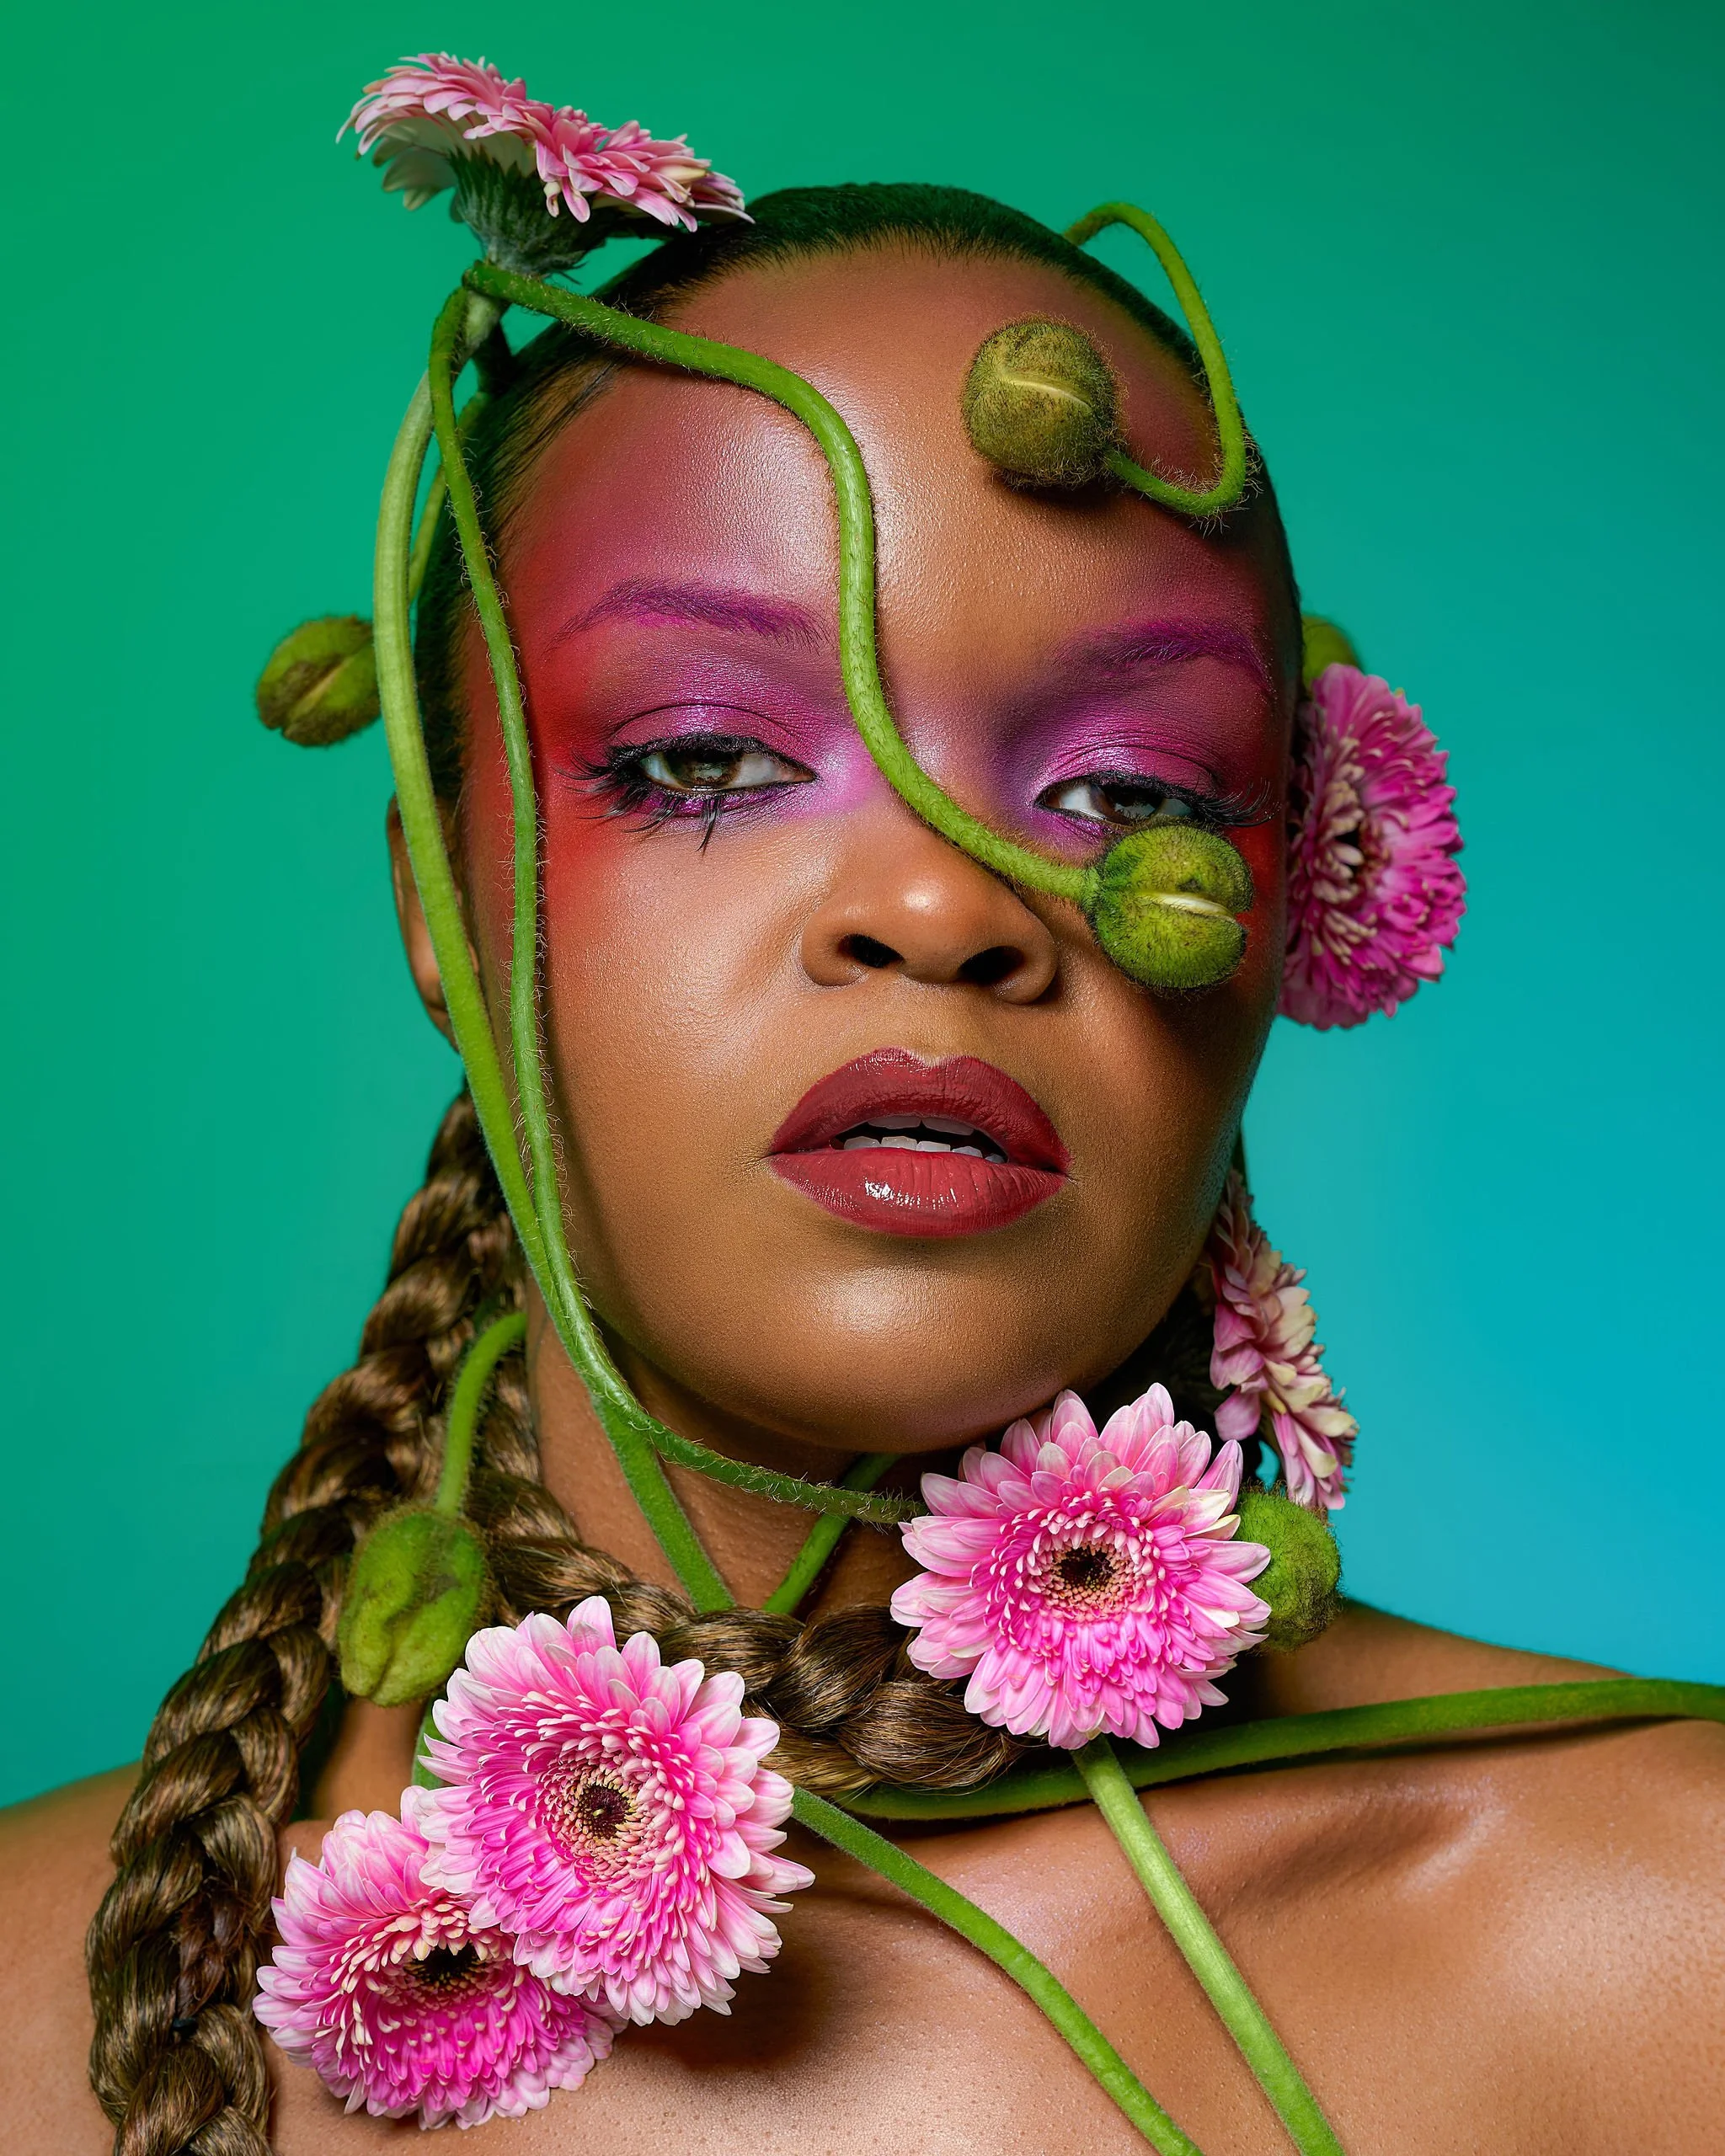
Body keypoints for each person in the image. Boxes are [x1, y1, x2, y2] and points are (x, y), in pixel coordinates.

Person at [4, 55, 1720, 2156]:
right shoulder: (41, 1990)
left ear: (1293, 907)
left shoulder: (1672, 1929)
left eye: (1129, 792)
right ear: (442, 891)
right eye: (704, 759)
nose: (937, 901)